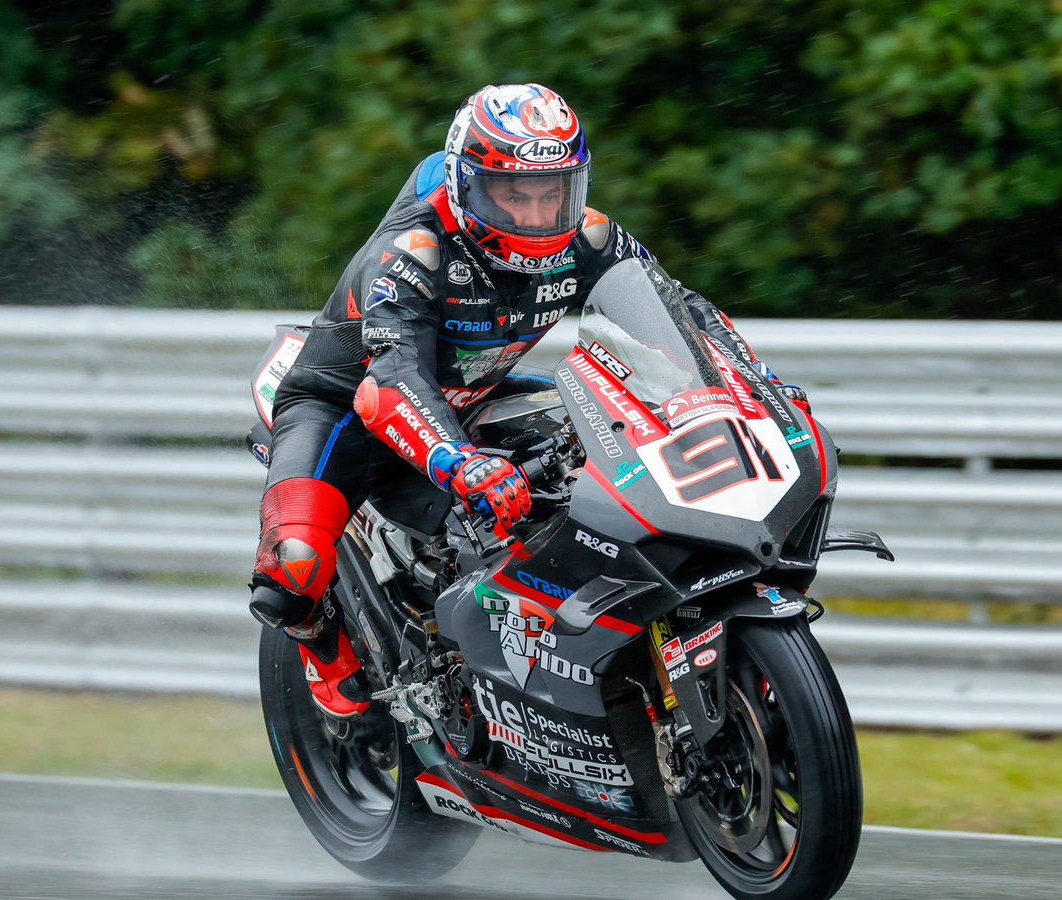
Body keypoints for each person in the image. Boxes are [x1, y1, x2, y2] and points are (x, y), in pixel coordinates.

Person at [248, 83, 807, 720]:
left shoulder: (590, 237)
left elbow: (678, 314)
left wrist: (754, 385)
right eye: (513, 195)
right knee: (294, 564)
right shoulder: (411, 253)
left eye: (553, 194)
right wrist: (461, 462)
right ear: (466, 184)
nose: (537, 216)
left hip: (479, 394)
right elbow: (392, 378)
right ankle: (320, 645)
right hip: (345, 404)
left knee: (609, 456)